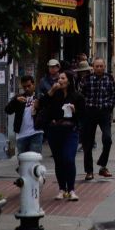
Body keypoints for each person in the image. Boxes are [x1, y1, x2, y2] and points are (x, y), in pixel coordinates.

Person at [37, 71, 85, 201]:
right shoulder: (54, 94)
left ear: (68, 81)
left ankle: (72, 189)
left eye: (63, 78)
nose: (60, 80)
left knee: (68, 159)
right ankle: (61, 189)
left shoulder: (77, 96)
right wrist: (51, 91)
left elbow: (82, 116)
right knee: (59, 161)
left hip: (70, 131)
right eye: (58, 78)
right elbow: (41, 104)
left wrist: (75, 111)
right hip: (54, 131)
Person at [79, 57, 115, 181]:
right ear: (93, 67)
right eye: (97, 66)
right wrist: (85, 107)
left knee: (107, 139)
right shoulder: (87, 79)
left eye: (101, 66)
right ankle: (89, 171)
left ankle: (103, 165)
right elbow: (81, 95)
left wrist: (109, 106)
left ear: (104, 67)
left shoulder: (109, 78)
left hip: (104, 113)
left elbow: (114, 94)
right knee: (88, 143)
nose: (99, 68)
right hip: (89, 113)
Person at [5, 75, 43, 154]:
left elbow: (46, 111)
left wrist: (38, 106)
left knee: (34, 159)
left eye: (29, 86)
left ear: (33, 84)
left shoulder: (39, 96)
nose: (27, 88)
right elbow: (8, 110)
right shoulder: (19, 97)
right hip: (21, 134)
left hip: (36, 132)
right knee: (23, 162)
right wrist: (15, 101)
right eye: (24, 87)